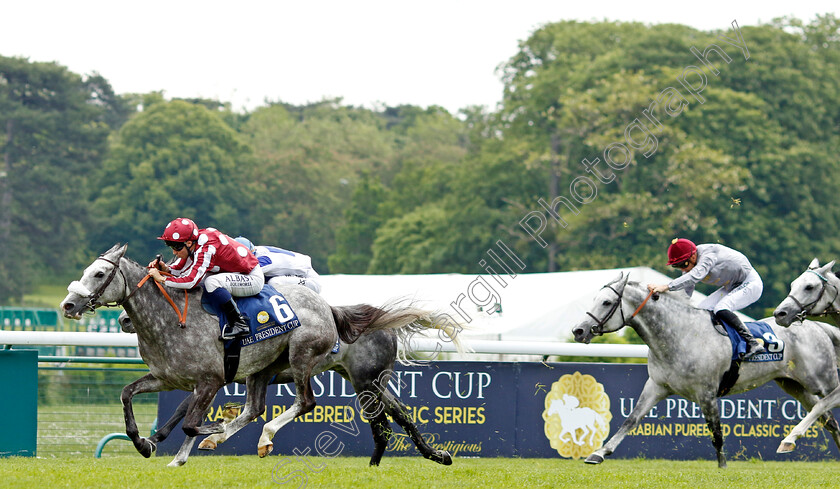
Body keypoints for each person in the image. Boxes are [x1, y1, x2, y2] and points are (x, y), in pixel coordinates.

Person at [647, 238, 764, 361]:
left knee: (721, 308)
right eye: (678, 266)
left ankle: (752, 343)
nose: (683, 269)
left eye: (683, 265)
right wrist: (664, 300)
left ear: (693, 257)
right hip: (731, 286)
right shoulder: (690, 265)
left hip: (750, 283)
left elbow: (695, 276)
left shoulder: (708, 255)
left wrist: (665, 287)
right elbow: (685, 295)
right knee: (701, 311)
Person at [148, 218, 265, 340]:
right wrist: (166, 269)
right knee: (204, 280)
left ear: (188, 243)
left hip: (251, 277)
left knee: (211, 282)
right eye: (170, 246)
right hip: (234, 272)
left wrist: (162, 279)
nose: (174, 252)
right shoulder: (195, 243)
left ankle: (240, 324)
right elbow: (182, 269)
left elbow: (190, 281)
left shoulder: (207, 248)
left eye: (176, 247)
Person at [234, 237, 322, 294]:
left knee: (274, 282)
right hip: (296, 274)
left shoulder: (264, 259)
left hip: (310, 280)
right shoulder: (255, 250)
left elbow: (245, 275)